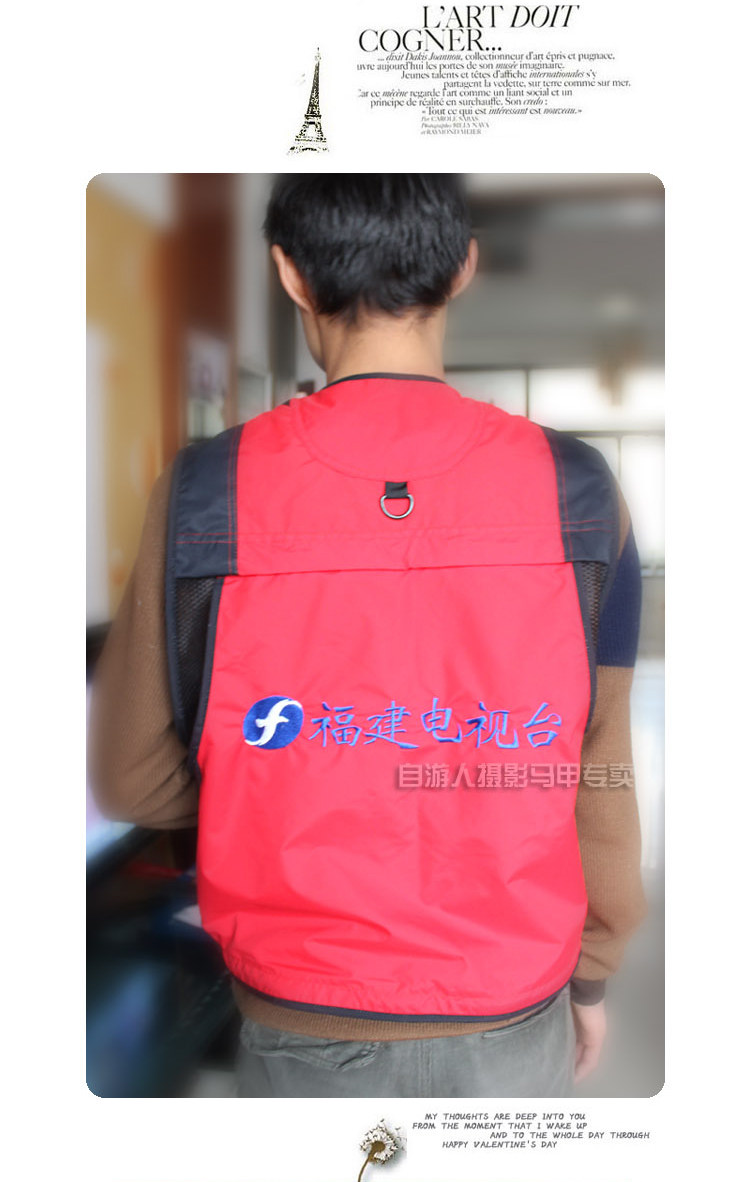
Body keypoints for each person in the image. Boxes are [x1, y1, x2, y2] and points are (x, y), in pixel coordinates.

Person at [89, 174, 647, 1098]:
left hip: (300, 1011)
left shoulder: (207, 490)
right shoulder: (578, 489)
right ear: (462, 269)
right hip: (512, 1010)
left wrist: (283, 785)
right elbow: (598, 767)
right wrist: (591, 971)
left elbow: (128, 777)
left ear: (289, 274)